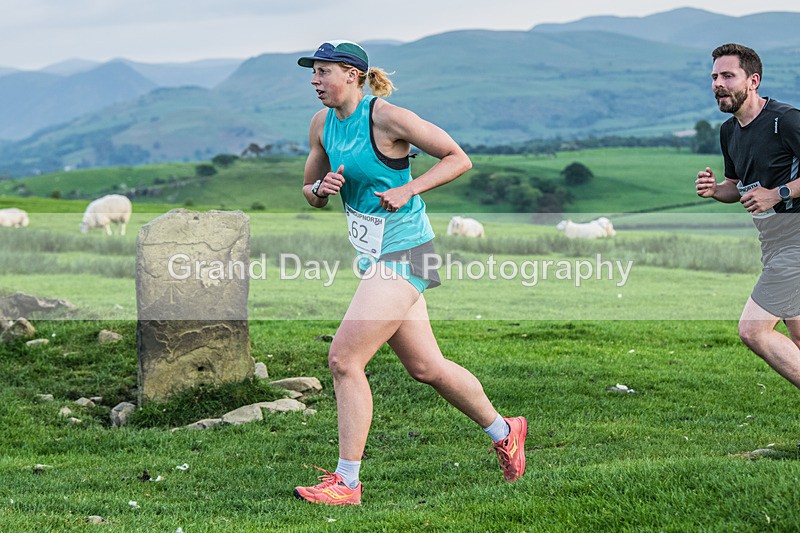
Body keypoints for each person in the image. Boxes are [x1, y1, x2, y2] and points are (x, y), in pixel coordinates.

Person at [292, 40, 527, 506]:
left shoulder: (387, 117)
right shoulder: (321, 124)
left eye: (324, 72)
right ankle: (506, 431)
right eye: (313, 73)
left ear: (352, 75)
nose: (315, 81)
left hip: (408, 250)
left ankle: (347, 483)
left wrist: (410, 188)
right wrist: (322, 187)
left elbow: (458, 157)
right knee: (426, 367)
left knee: (343, 359)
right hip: (373, 255)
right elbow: (309, 192)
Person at [695, 43, 800, 402]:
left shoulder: (785, 120)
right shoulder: (729, 132)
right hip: (772, 243)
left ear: (753, 80)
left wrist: (780, 193)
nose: (718, 84)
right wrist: (715, 190)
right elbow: (737, 188)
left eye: (727, 76)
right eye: (714, 77)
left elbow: (770, 192)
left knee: (753, 330)